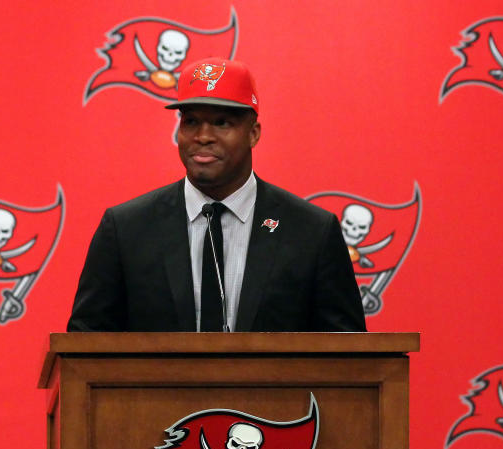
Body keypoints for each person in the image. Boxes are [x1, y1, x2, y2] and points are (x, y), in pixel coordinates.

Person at [67, 57, 365, 332]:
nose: (203, 136)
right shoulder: (126, 228)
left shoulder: (311, 231)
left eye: (222, 123)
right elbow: (83, 348)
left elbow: (349, 357)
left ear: (254, 133)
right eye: (191, 121)